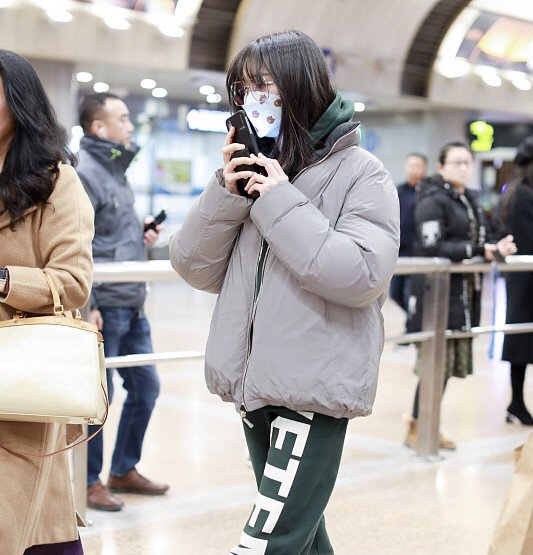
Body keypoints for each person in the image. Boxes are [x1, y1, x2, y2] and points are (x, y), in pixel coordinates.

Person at [169, 30, 399, 555]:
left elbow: (361, 275)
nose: (256, 101)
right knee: (302, 535)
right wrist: (225, 195)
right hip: (256, 386)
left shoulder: (362, 173)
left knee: (268, 540)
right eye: (244, 89)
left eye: (267, 86)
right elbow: (194, 267)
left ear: (303, 88)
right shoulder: (251, 175)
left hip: (313, 389)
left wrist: (277, 200)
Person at [0, 50, 94, 555]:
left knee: (21, 519)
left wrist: (3, 281)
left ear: (18, 102)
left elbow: (73, 281)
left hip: (19, 381)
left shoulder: (57, 182)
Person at [76, 92, 169, 512]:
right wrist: (88, 303)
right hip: (104, 305)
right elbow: (79, 245)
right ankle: (89, 480)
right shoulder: (86, 173)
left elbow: (112, 236)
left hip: (132, 303)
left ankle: (122, 469)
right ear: (100, 127)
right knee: (100, 399)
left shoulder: (118, 171)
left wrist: (142, 235)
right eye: (123, 118)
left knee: (146, 388)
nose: (130, 125)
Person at [405, 141, 516, 450]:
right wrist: (479, 250)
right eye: (456, 162)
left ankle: (424, 424)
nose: (463, 168)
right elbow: (432, 246)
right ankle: (417, 426)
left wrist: (498, 246)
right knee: (433, 364)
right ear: (441, 166)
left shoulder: (470, 199)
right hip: (436, 292)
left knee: (446, 365)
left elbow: (486, 235)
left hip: (463, 293)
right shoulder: (432, 199)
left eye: (467, 162)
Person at [497, 135, 533, 425]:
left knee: (522, 339)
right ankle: (517, 402)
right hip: (525, 281)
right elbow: (526, 238)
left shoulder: (517, 190)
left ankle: (517, 402)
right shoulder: (522, 194)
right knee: (521, 340)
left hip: (521, 280)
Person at [389, 153, 427, 320]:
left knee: (413, 294)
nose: (414, 170)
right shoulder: (399, 190)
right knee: (396, 293)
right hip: (400, 252)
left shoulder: (428, 192)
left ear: (425, 168)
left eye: (418, 166)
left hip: (419, 252)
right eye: (411, 165)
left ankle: (411, 328)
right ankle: (414, 322)